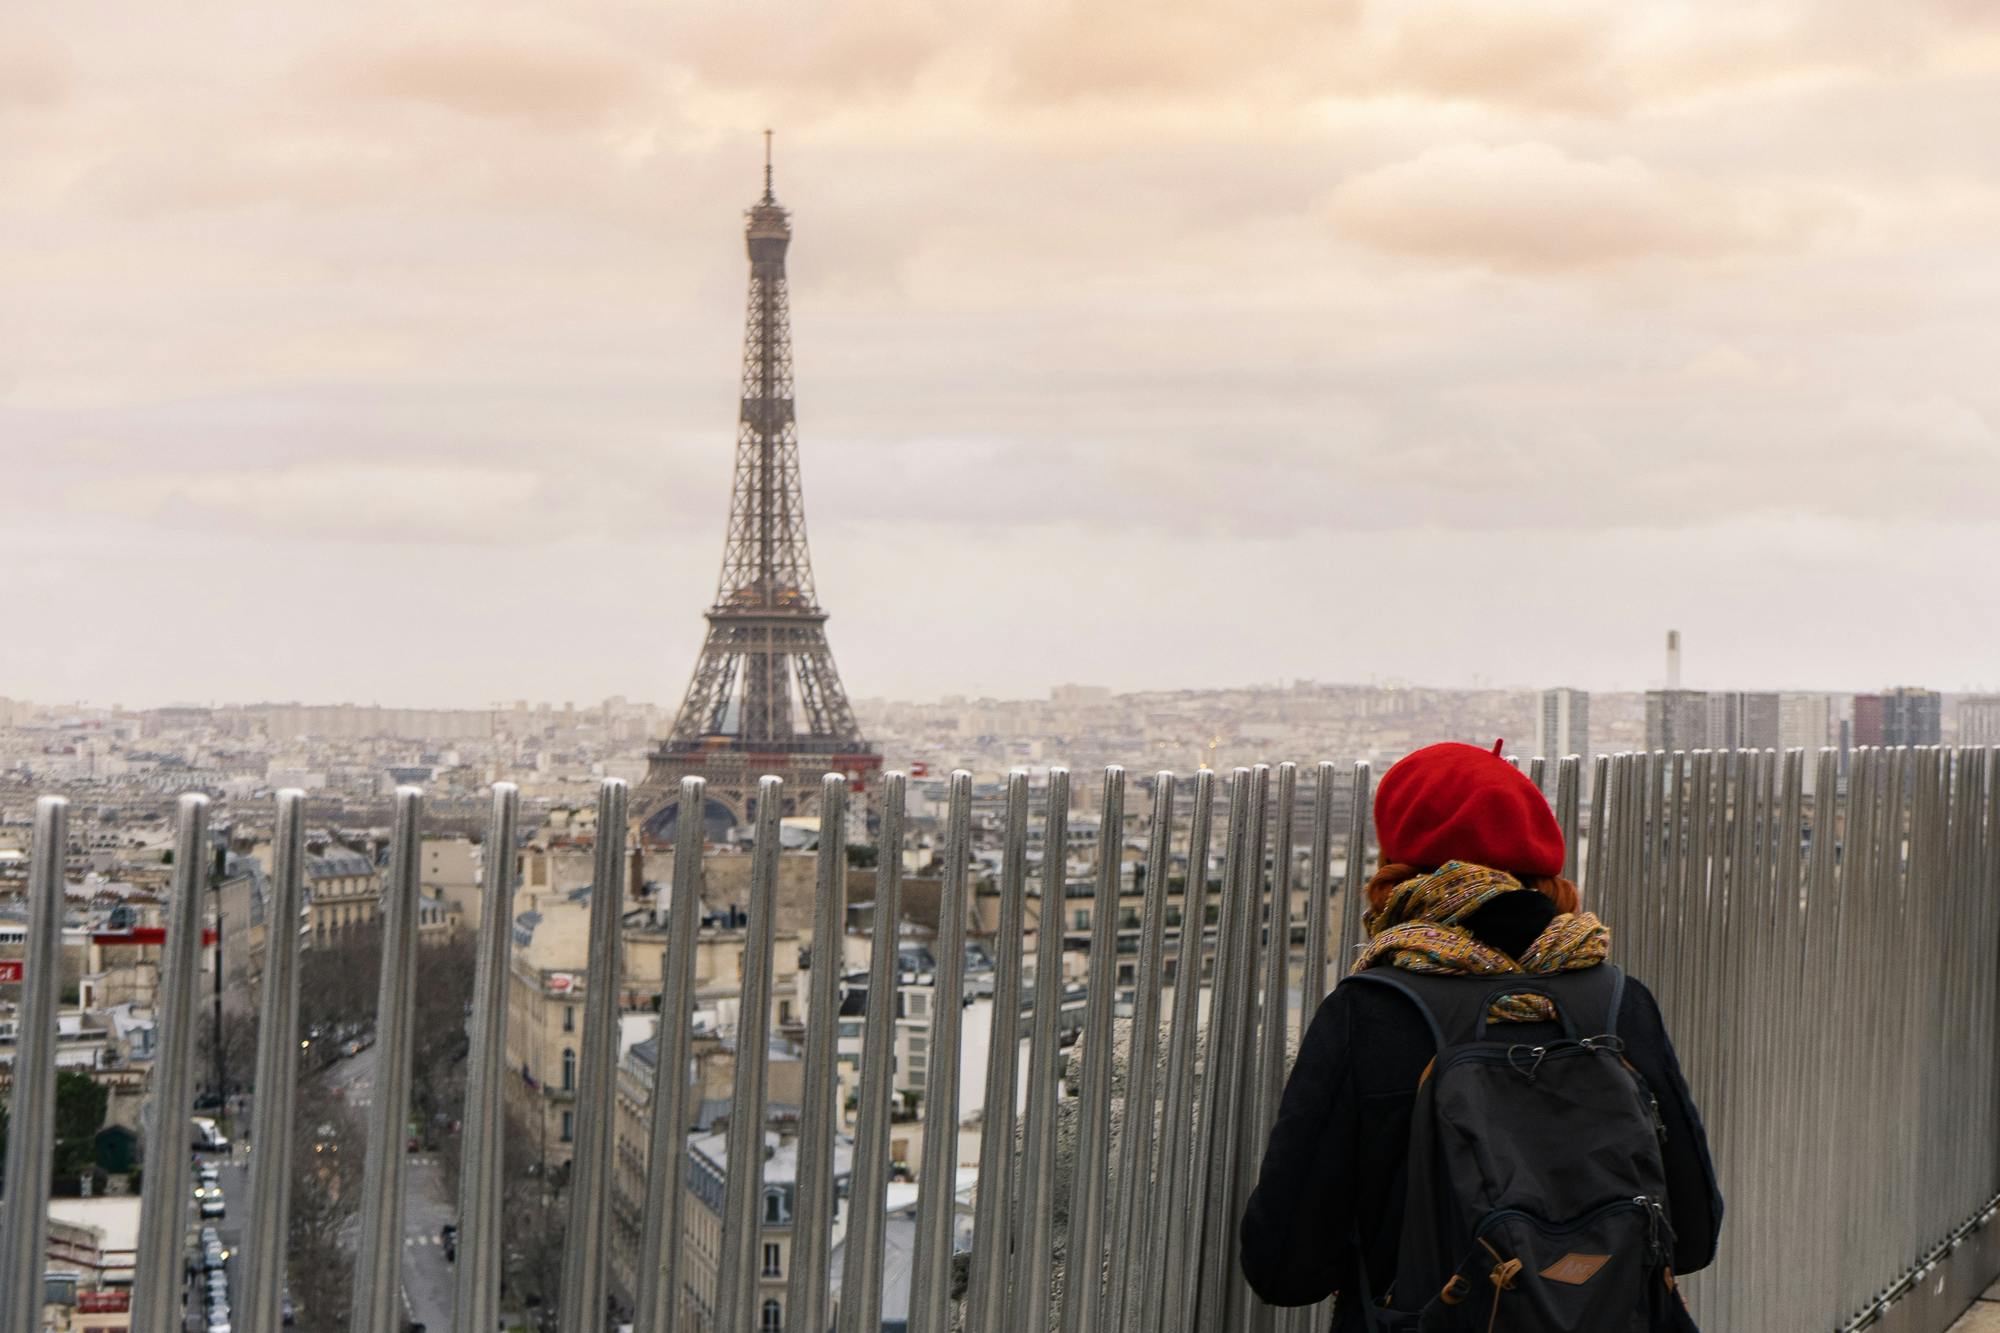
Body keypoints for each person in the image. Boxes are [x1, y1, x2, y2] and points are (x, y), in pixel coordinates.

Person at [1241, 741, 1722, 1330]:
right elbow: (1693, 1236)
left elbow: (1285, 1269)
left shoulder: (1369, 1013)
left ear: (1397, 862)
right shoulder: (1619, 1002)